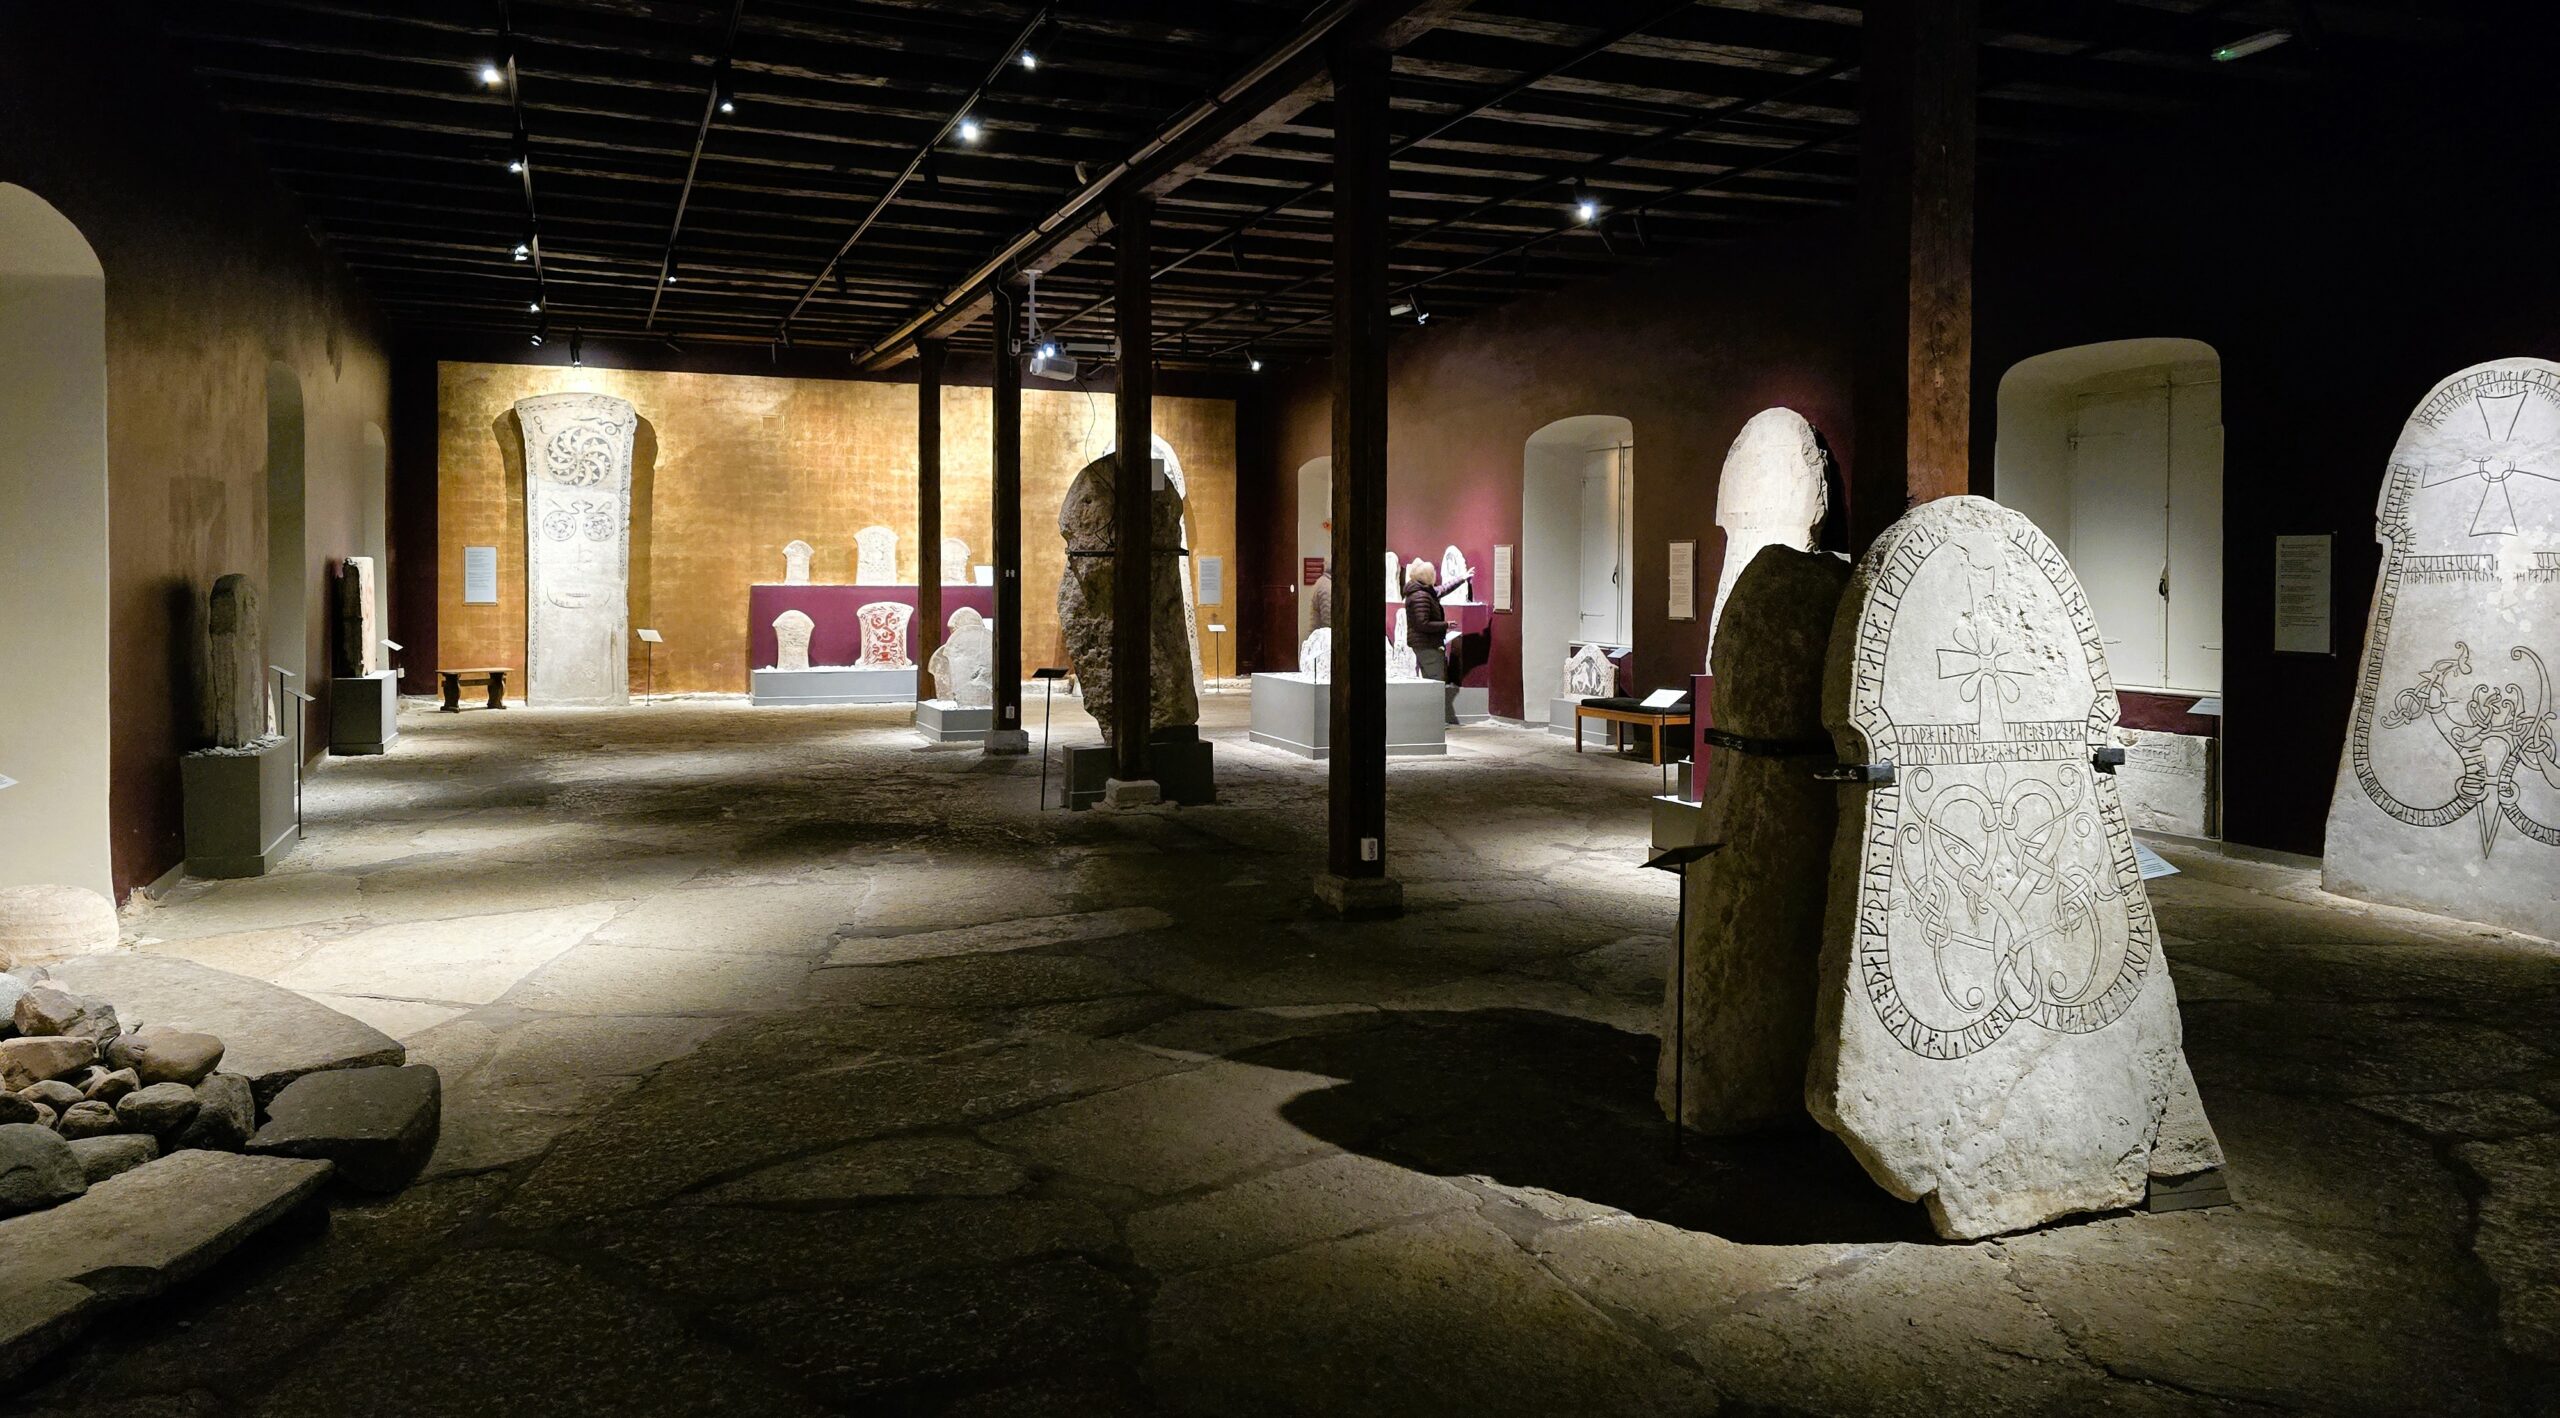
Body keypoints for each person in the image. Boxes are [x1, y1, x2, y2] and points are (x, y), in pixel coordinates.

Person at [1404, 562, 1472, 725]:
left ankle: (1431, 721)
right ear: (1428, 576)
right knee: (1435, 682)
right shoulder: (1421, 596)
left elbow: (1442, 589)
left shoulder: (1422, 591)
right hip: (1427, 644)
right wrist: (1446, 625)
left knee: (1431, 681)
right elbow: (1422, 624)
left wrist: (1462, 578)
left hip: (1425, 644)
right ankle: (1433, 722)